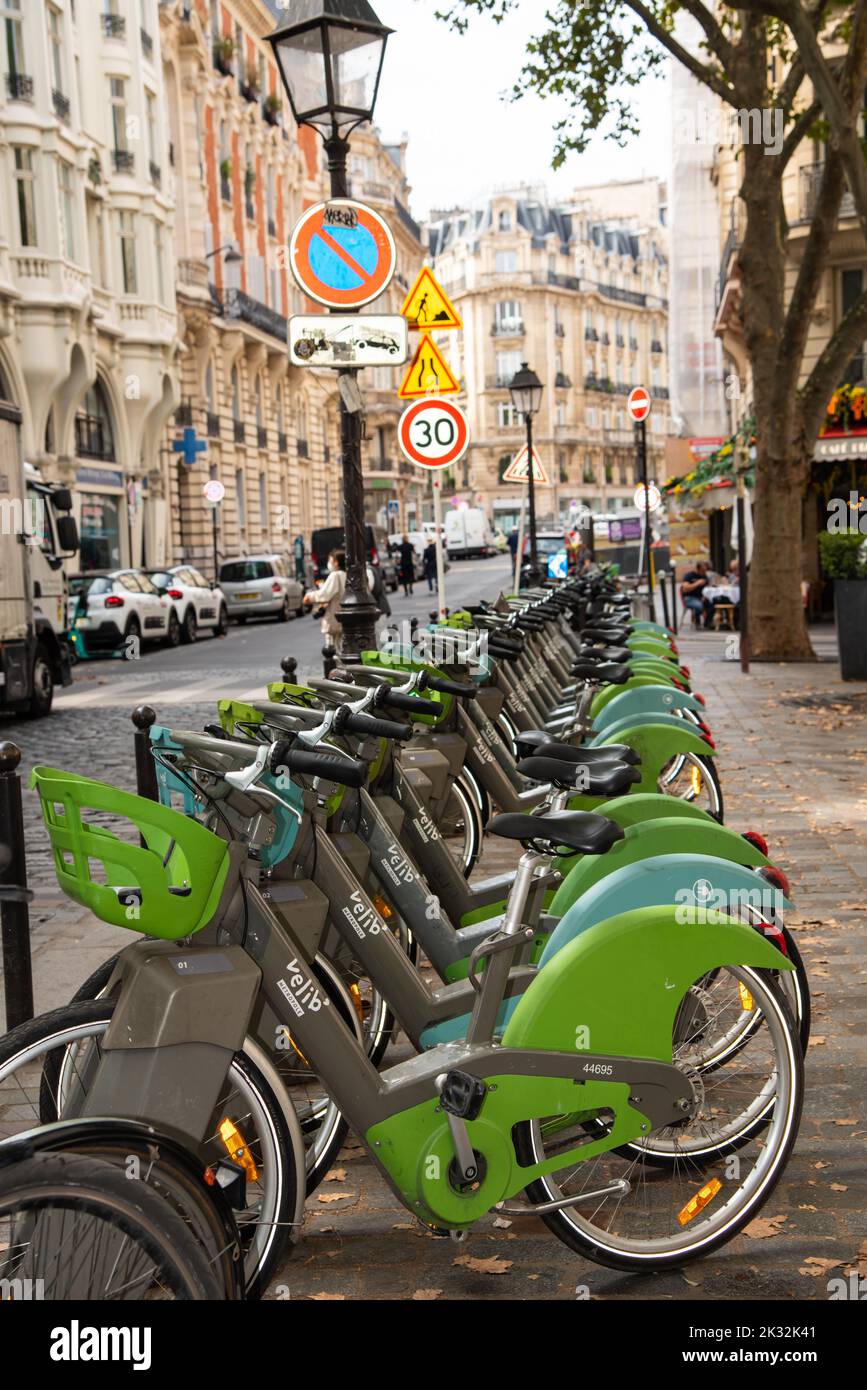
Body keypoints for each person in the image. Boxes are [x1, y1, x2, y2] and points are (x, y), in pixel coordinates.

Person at [305, 549, 345, 647]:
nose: (329, 563)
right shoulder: (347, 574)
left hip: (335, 616)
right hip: (345, 617)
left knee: (333, 649)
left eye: (330, 560)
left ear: (336, 562)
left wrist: (309, 596)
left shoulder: (335, 575)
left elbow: (324, 594)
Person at [680, 561, 709, 628]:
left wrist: (704, 596)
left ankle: (708, 622)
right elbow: (685, 588)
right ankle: (697, 621)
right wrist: (697, 583)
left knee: (711, 603)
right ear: (698, 569)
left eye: (705, 571)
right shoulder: (689, 575)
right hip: (689, 598)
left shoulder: (705, 576)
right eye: (702, 571)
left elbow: (707, 589)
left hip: (701, 597)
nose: (704, 572)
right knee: (699, 606)